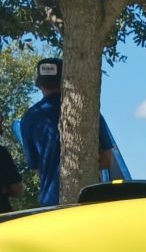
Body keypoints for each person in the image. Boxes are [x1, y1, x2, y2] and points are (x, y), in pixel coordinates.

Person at [20, 58, 115, 206]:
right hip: (90, 199)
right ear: (65, 81)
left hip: (50, 204)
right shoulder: (87, 111)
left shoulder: (28, 119)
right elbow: (107, 160)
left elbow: (37, 168)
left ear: (39, 85)